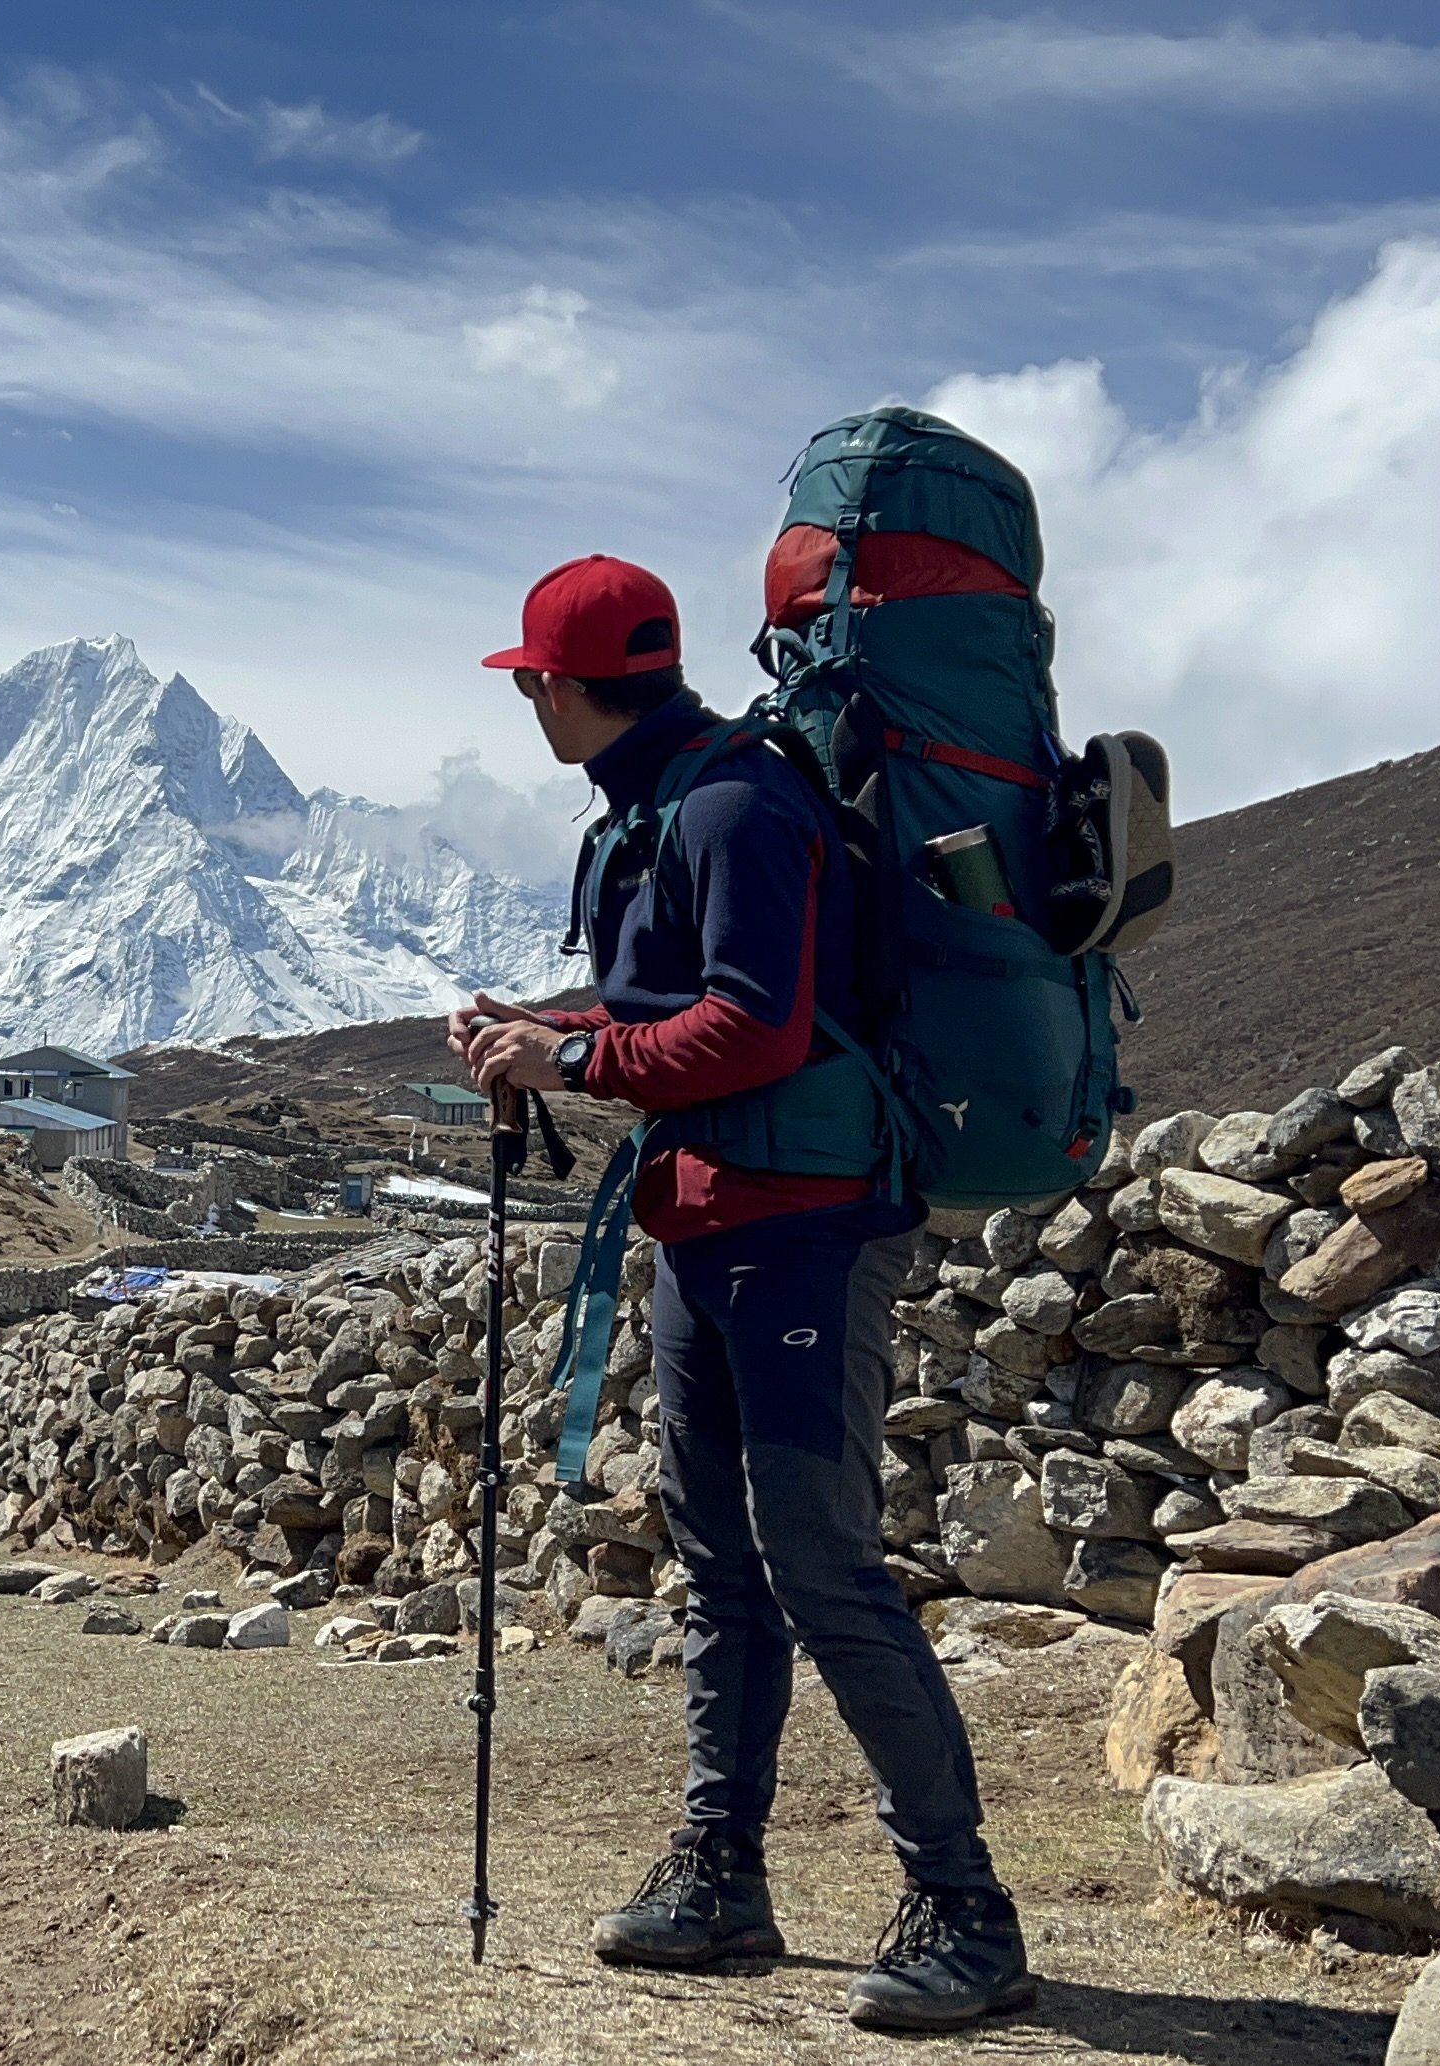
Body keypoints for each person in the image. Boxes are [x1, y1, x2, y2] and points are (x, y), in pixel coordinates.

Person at [447, 552, 1034, 2034]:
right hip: (709, 1222)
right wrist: (553, 1024)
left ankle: (966, 1905)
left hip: (803, 1230)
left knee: (819, 1558)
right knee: (720, 1559)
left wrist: (570, 1062)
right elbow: (672, 1010)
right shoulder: (675, 799)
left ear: (567, 690)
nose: (529, 704)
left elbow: (755, 1029)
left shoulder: (731, 807)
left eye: (532, 682)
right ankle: (723, 1873)